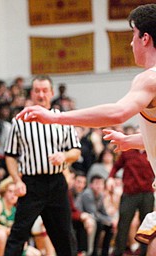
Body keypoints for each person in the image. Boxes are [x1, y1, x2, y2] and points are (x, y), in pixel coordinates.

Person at [16, 4, 156, 255]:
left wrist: (55, 118)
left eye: (132, 36)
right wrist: (131, 140)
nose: (130, 44)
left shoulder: (149, 78)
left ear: (145, 38)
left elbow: (117, 112)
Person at [3, 75, 81, 256]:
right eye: (37, 90)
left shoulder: (62, 119)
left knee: (64, 235)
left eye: (45, 90)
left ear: (52, 93)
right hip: (31, 184)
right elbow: (10, 156)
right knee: (18, 233)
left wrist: (64, 156)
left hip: (57, 182)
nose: (41, 94)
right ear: (31, 93)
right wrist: (16, 180)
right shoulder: (19, 121)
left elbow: (76, 151)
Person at [0, 176, 41, 256]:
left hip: (7, 243)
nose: (13, 195)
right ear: (4, 191)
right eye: (10, 191)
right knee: (0, 235)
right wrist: (10, 232)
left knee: (35, 253)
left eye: (15, 193)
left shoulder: (16, 209)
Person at [76, 175, 116, 256]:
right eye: (97, 183)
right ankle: (93, 252)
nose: (99, 186)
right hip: (82, 219)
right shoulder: (88, 194)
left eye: (101, 184)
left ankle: (105, 253)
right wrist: (108, 220)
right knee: (99, 225)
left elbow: (103, 212)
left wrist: (111, 221)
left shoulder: (101, 195)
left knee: (110, 226)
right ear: (91, 185)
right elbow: (94, 214)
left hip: (93, 219)